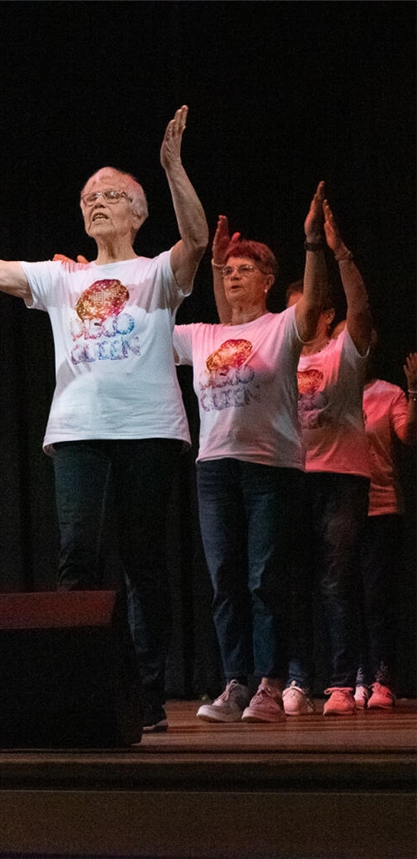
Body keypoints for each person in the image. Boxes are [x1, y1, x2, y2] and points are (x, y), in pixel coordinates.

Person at [0, 106, 208, 731]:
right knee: (77, 558)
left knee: (144, 562)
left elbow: (195, 242)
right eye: (89, 196)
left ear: (138, 212)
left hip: (150, 429)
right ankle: (80, 684)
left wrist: (172, 168)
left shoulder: (155, 273)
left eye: (112, 195)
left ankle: (145, 693)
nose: (98, 203)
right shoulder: (64, 277)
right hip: (79, 429)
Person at [173, 186, 324, 725]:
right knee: (225, 579)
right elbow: (144, 337)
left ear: (266, 281)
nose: (235, 274)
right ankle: (235, 681)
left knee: (264, 578)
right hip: (214, 468)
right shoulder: (202, 334)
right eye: (228, 268)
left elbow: (312, 307)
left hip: (270, 467)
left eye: (245, 268)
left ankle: (269, 682)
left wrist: (313, 246)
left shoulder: (281, 327)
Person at [283, 195, 374, 717]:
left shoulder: (344, 352)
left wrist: (339, 255)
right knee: (293, 580)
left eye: (309, 307)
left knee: (336, 580)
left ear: (325, 312)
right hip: (293, 477)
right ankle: (296, 678)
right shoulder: (280, 355)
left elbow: (361, 312)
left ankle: (342, 682)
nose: (301, 316)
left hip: (342, 478)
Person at [351, 350, 416, 709]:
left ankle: (383, 679)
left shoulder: (389, 394)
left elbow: (409, 435)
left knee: (377, 599)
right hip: (342, 506)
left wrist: (415, 391)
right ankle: (355, 676)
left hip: (381, 507)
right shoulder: (332, 391)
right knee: (347, 597)